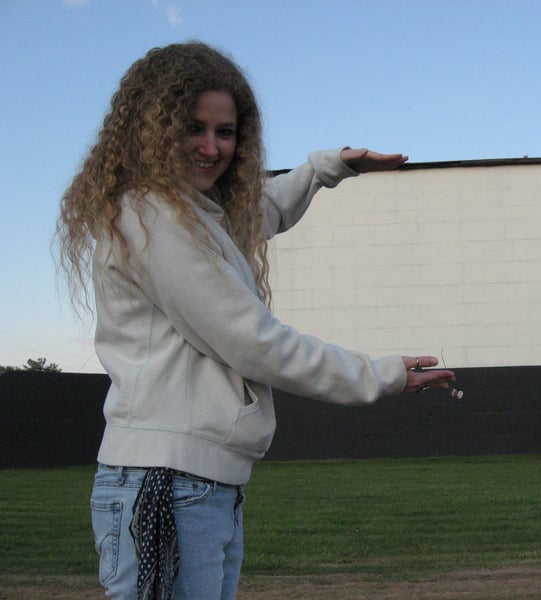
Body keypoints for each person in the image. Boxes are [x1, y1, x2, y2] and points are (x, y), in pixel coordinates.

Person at [56, 41, 455, 600]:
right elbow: (252, 342)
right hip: (166, 483)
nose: (211, 147)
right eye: (193, 128)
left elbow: (258, 209)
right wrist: (377, 375)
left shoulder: (192, 216)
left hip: (196, 484)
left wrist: (325, 167)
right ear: (152, 128)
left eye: (226, 132)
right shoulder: (151, 217)